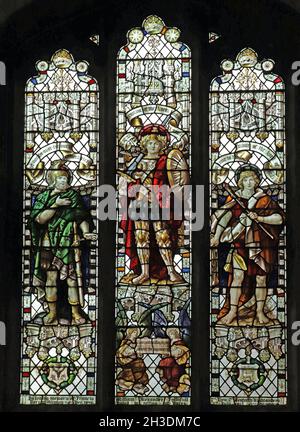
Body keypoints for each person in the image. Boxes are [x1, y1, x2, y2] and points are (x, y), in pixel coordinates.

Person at [211, 164, 285, 326]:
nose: (249, 182)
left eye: (252, 179)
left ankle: (260, 313)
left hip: (262, 245)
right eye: (245, 179)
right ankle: (232, 311)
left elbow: (280, 218)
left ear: (257, 181)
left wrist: (259, 218)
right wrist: (216, 236)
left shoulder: (263, 198)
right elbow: (223, 217)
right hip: (240, 245)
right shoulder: (234, 199)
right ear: (240, 182)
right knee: (237, 278)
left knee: (260, 279)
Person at [29, 160, 96, 325]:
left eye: (65, 178)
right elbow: (39, 219)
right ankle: (51, 313)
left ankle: (75, 313)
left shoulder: (73, 196)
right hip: (48, 242)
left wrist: (86, 232)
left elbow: (81, 216)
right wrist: (55, 204)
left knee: (72, 278)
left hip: (69, 241)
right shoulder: (44, 197)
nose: (63, 181)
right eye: (60, 178)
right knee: (50, 277)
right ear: (52, 180)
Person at [120, 124, 186, 285]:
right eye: (149, 143)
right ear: (144, 144)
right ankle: (144, 272)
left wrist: (157, 194)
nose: (153, 146)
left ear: (163, 144)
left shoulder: (167, 161)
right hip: (139, 203)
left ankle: (171, 270)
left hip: (160, 204)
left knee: (162, 236)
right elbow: (126, 184)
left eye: (156, 143)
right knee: (141, 237)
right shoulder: (137, 162)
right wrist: (138, 188)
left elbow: (174, 186)